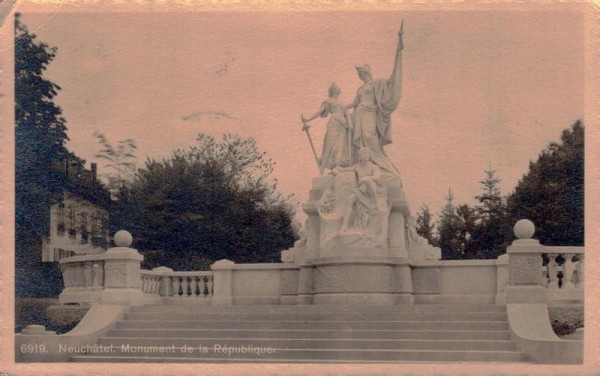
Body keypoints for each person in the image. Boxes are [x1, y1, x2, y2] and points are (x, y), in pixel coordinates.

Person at [346, 22, 404, 180]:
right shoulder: (360, 89)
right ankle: (366, 170)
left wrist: (397, 56)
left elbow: (392, 80)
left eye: (360, 73)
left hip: (370, 115)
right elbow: (354, 103)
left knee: (371, 140)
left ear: (366, 73)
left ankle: (386, 168)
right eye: (359, 74)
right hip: (359, 114)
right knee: (361, 145)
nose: (359, 76)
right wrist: (341, 108)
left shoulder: (377, 83)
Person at [302, 82, 353, 175]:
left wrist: (349, 123)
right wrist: (308, 119)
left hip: (342, 126)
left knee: (340, 146)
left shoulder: (341, 103)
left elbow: (347, 113)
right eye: (336, 89)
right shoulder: (328, 101)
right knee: (329, 146)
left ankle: (337, 167)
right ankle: (322, 168)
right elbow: (318, 113)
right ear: (334, 91)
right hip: (334, 124)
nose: (338, 90)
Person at [334, 147, 383, 233]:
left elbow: (377, 177)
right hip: (360, 190)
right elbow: (344, 169)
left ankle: (376, 203)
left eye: (366, 154)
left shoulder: (374, 167)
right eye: (362, 154)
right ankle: (345, 225)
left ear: (369, 156)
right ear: (359, 157)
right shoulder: (357, 167)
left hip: (371, 190)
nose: (365, 156)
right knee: (349, 200)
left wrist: (365, 178)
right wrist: (336, 170)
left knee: (367, 180)